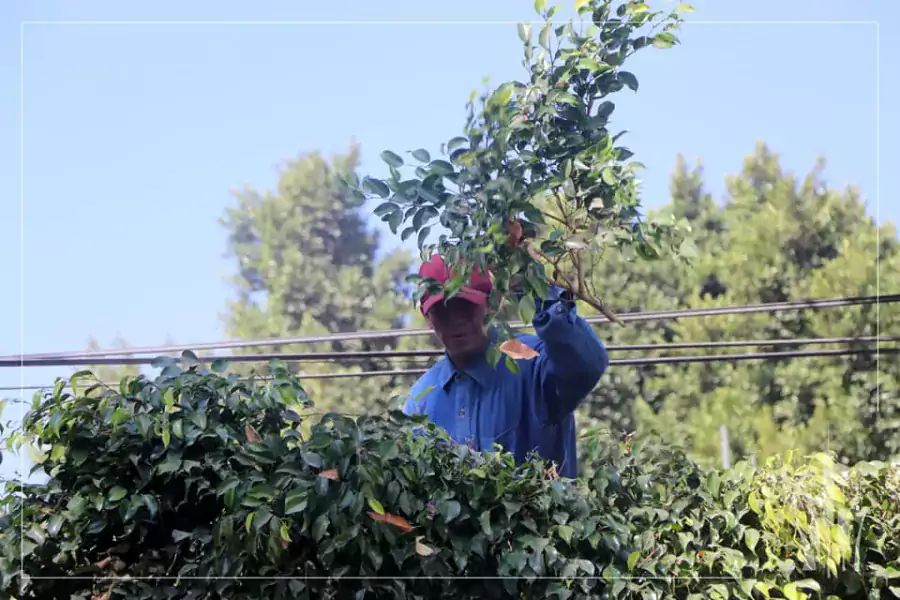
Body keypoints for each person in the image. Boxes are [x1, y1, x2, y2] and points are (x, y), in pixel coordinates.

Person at [402, 252, 609, 479]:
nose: (455, 320)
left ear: (492, 304)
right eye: (443, 310)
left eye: (464, 306)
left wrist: (524, 273)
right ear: (428, 318)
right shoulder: (420, 402)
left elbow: (587, 365)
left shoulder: (533, 363)